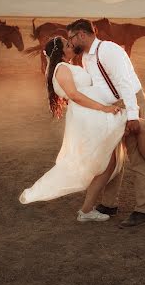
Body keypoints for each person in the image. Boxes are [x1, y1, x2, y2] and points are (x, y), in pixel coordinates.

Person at [66, 19, 145, 228]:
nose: (70, 43)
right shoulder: (87, 58)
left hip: (130, 102)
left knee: (136, 157)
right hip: (112, 109)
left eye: (71, 38)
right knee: (113, 157)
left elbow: (125, 82)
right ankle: (109, 204)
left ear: (81, 34)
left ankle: (142, 210)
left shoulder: (109, 50)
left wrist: (133, 115)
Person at [19, 36, 127, 222]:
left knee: (109, 162)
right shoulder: (61, 69)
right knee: (106, 162)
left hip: (92, 115)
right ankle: (86, 211)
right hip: (88, 117)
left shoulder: (68, 65)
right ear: (61, 51)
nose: (72, 46)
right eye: (68, 45)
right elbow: (74, 95)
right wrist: (104, 108)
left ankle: (87, 210)